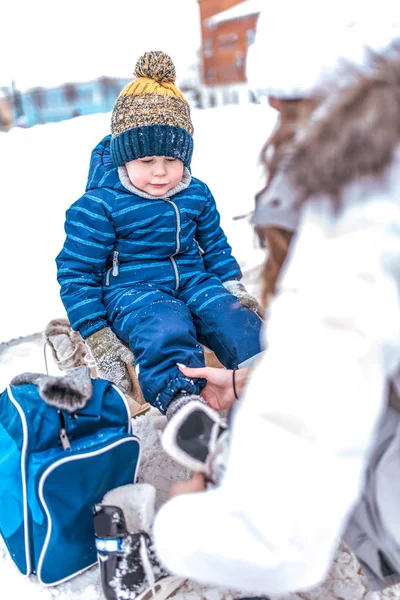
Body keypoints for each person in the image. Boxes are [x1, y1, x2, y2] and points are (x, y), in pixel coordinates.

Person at [149, 4, 400, 598]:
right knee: (159, 324)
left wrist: (179, 524)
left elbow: (278, 543)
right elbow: (361, 336)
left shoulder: (361, 222)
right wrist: (254, 378)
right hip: (148, 293)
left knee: (230, 315)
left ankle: (241, 461)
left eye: (280, 98)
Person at [56, 50, 262, 418]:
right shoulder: (99, 205)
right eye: (146, 161)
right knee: (165, 328)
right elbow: (77, 273)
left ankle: (265, 377)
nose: (161, 172)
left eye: (171, 159)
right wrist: (96, 333)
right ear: (124, 158)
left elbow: (214, 246)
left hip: (194, 282)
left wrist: (232, 287)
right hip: (133, 294)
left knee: (235, 319)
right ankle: (184, 404)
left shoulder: (196, 193)